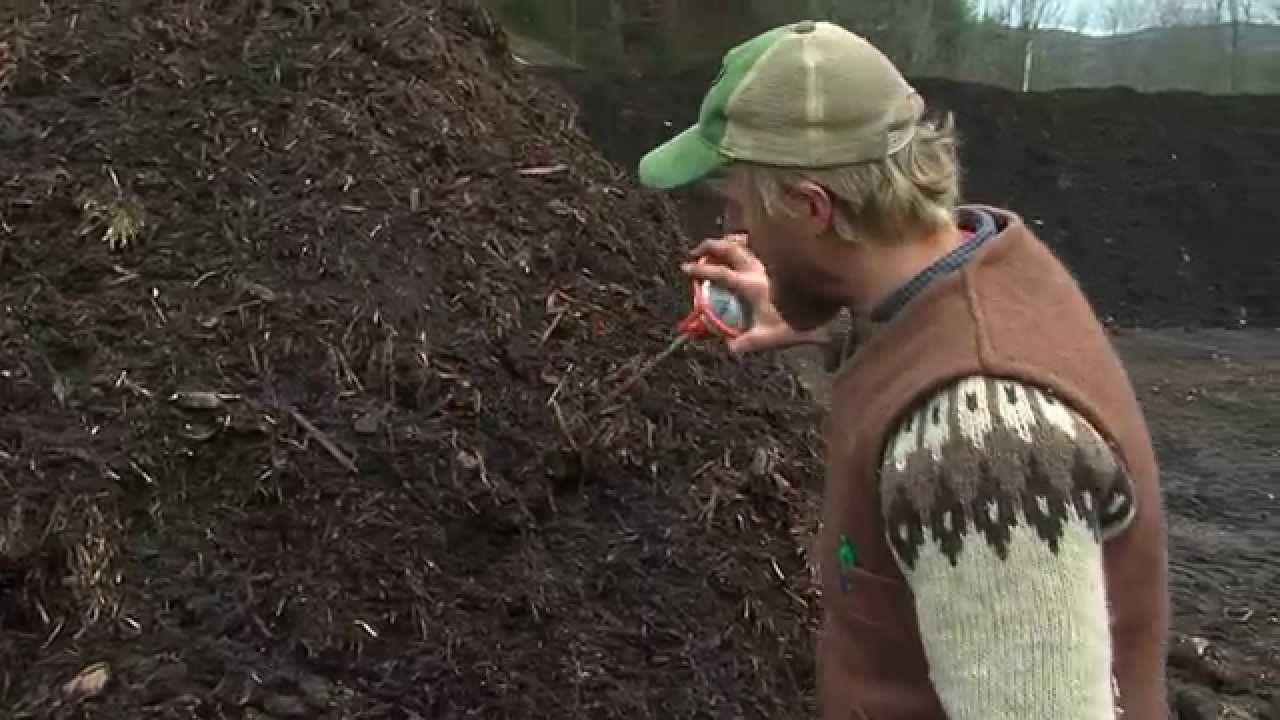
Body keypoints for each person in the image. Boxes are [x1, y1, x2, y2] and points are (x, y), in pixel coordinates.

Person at [637, 20, 1170, 720]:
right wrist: (819, 322)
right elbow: (944, 341)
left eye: (741, 209)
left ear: (809, 207)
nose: (741, 235)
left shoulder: (976, 441)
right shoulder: (986, 262)